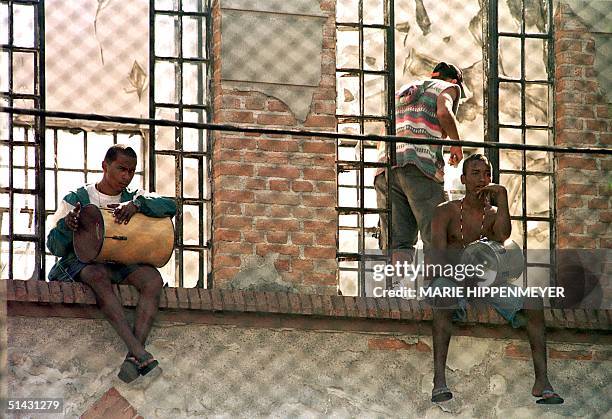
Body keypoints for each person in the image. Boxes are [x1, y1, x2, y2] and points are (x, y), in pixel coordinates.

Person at [429, 154, 563, 404]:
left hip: (487, 284)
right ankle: (439, 381)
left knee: (533, 301)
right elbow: (436, 258)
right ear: (463, 179)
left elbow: (503, 236)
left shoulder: (492, 215)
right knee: (442, 295)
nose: (482, 179)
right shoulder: (445, 212)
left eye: (487, 174)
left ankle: (542, 382)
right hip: (451, 279)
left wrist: (502, 199)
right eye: (476, 173)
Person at [47, 144, 177, 383]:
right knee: (97, 275)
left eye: (131, 171)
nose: (126, 177)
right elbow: (54, 247)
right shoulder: (77, 198)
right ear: (105, 166)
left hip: (120, 261)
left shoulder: (134, 197)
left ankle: (132, 358)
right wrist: (67, 226)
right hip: (86, 263)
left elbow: (171, 206)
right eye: (121, 169)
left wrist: (137, 206)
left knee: (152, 280)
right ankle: (139, 352)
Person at [374, 62, 464, 266]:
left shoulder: (402, 91)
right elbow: (443, 112)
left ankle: (397, 289)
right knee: (436, 234)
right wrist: (456, 144)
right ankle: (435, 290)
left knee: (399, 243)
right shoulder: (447, 87)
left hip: (385, 167)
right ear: (453, 81)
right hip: (419, 165)